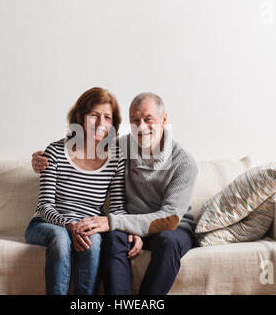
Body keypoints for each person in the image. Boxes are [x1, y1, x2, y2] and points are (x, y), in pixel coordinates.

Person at [32, 92, 198, 295]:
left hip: (172, 227)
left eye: (148, 119)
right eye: (135, 120)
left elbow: (170, 219)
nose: (142, 126)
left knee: (167, 241)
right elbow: (83, 143)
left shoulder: (184, 163)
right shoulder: (121, 148)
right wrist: (40, 159)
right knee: (113, 237)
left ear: (164, 120)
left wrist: (115, 223)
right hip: (128, 223)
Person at [25, 87, 128, 295]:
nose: (101, 123)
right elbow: (44, 206)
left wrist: (133, 230)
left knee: (94, 241)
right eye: (94, 116)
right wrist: (68, 225)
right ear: (81, 117)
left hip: (87, 226)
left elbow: (117, 208)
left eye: (107, 117)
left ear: (113, 123)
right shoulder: (55, 151)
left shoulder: (116, 158)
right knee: (61, 238)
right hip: (47, 224)